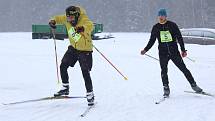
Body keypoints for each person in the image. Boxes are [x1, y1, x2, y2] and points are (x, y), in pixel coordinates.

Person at [140, 9, 203, 98]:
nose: (161, 17)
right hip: (163, 53)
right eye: (159, 16)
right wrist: (145, 50)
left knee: (184, 69)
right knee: (164, 71)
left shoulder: (172, 25)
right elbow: (152, 40)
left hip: (174, 52)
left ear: (166, 16)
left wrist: (183, 50)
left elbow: (179, 38)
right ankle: (166, 89)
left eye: (162, 15)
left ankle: (194, 85)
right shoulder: (156, 27)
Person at [49, 6, 94, 106]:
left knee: (85, 72)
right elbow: (57, 18)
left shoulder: (83, 19)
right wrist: (52, 21)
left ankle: (90, 94)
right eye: (68, 18)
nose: (70, 20)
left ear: (77, 16)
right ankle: (65, 88)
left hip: (85, 50)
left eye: (72, 18)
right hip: (73, 48)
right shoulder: (66, 18)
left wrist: (83, 28)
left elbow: (90, 25)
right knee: (63, 65)